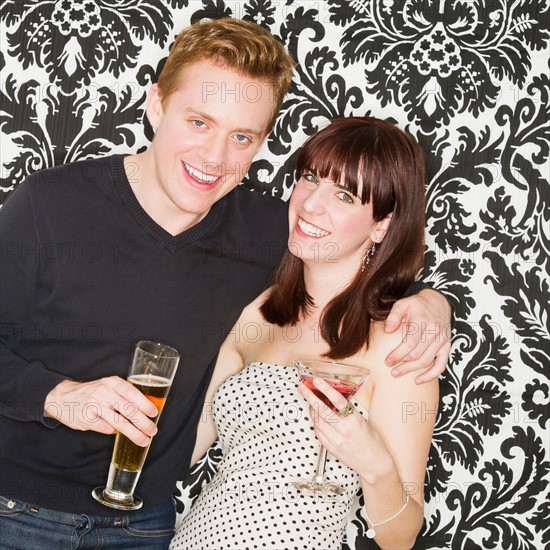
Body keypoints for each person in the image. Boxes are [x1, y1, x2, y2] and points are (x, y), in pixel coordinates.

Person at [0, 18, 448, 549]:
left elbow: (360, 258)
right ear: (156, 104)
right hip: (17, 511)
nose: (215, 157)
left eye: (242, 136)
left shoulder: (268, 231)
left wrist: (432, 302)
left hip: (149, 527)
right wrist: (57, 395)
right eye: (198, 122)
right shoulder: (51, 204)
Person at [171, 116, 438, 550]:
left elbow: (400, 536)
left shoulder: (399, 344)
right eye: (310, 179)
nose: (311, 205)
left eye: (345, 195)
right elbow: (184, 448)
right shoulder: (257, 311)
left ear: (381, 226)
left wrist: (376, 465)